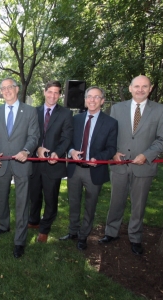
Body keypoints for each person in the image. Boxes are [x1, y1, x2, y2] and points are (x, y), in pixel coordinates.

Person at [99, 75, 163, 255]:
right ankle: (111, 232)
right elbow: (109, 135)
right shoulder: (117, 109)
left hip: (143, 166)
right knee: (116, 201)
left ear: (150, 88)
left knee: (138, 205)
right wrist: (113, 152)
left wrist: (146, 155)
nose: (140, 89)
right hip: (120, 165)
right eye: (136, 86)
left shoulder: (160, 110)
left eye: (144, 86)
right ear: (130, 88)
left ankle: (135, 237)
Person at [0, 78, 39, 258]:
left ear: (17, 89)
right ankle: (3, 226)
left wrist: (26, 150)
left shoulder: (30, 111)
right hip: (0, 163)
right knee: (2, 198)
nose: (7, 90)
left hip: (22, 163)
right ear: (1, 91)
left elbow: (34, 136)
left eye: (10, 87)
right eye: (3, 88)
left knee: (22, 202)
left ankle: (20, 240)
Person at [60, 86, 118, 250]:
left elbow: (112, 148)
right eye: (89, 97)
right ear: (85, 100)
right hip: (75, 169)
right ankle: (73, 231)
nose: (92, 100)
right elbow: (67, 141)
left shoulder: (111, 123)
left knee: (90, 205)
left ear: (102, 101)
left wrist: (98, 159)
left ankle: (83, 236)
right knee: (74, 202)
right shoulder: (76, 119)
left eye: (96, 97)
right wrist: (71, 151)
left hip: (94, 171)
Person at [28, 81, 73, 243]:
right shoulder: (34, 111)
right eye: (50, 92)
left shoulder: (66, 114)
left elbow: (67, 138)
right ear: (44, 92)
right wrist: (37, 149)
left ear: (59, 94)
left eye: (56, 93)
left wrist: (57, 153)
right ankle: (33, 221)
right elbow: (30, 135)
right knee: (34, 195)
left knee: (50, 198)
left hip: (54, 163)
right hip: (34, 162)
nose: (53, 95)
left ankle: (44, 228)